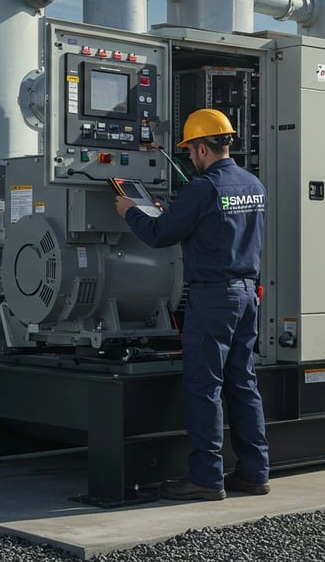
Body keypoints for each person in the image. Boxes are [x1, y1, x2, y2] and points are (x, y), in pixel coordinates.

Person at [115, 108, 270, 501]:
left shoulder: (204, 189)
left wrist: (130, 211)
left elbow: (158, 234)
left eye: (189, 151)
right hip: (246, 295)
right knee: (243, 384)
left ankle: (206, 477)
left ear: (202, 148)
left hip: (213, 297)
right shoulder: (253, 184)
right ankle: (255, 473)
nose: (189, 157)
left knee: (205, 386)